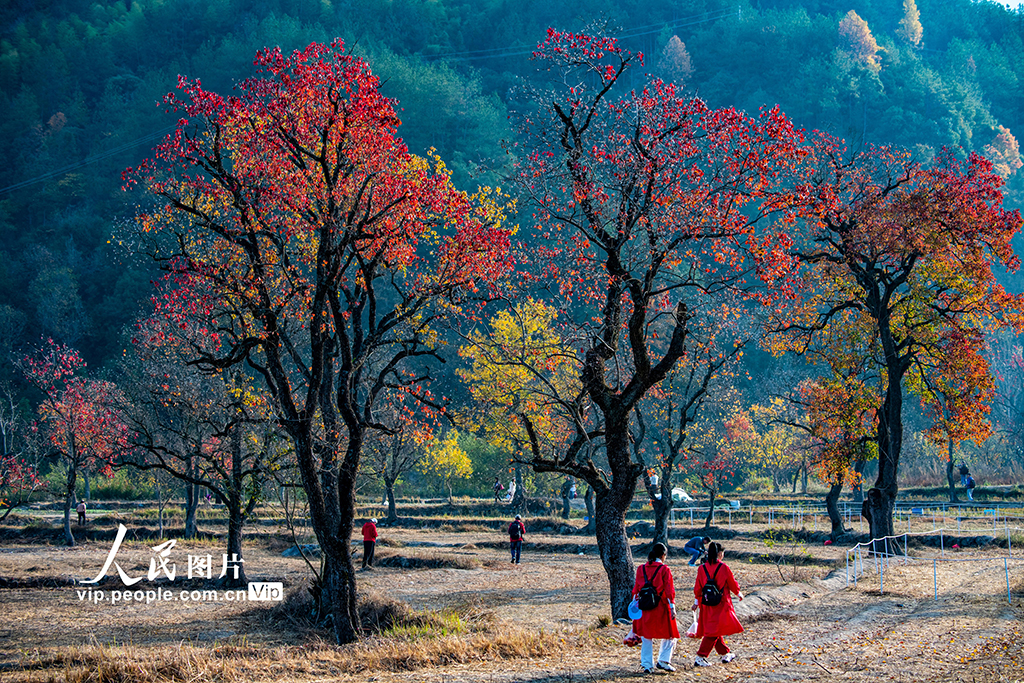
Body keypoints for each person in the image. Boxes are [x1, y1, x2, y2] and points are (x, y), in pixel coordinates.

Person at [691, 542, 744, 667]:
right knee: (713, 631)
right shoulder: (724, 567)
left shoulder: (702, 568)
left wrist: (696, 602)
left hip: (706, 603)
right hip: (721, 604)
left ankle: (725, 654)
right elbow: (732, 582)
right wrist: (738, 593)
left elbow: (698, 587)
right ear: (719, 554)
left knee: (714, 628)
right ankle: (701, 656)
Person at [631, 542, 680, 673]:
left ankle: (647, 664)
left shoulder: (641, 568)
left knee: (646, 636)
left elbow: (636, 589)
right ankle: (664, 660)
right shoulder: (665, 570)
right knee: (670, 634)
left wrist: (634, 605)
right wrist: (672, 607)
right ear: (663, 555)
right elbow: (669, 591)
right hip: (661, 607)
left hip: (645, 606)